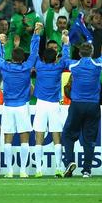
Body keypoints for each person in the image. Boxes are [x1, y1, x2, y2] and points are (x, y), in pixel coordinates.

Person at [0, 22, 42, 178]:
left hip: (8, 107)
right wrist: (36, 34)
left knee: (7, 138)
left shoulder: (5, 67)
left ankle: (8, 171)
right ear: (23, 58)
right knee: (24, 139)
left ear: (12, 57)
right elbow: (34, 53)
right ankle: (22, 171)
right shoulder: (27, 67)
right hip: (22, 107)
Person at [61, 28, 102, 178]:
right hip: (93, 105)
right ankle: (87, 170)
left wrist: (66, 43)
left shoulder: (74, 66)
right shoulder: (98, 65)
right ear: (92, 52)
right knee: (89, 139)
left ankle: (70, 162)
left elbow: (64, 59)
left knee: (68, 135)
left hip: (77, 105)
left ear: (80, 53)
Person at [32, 35, 70, 178]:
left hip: (41, 104)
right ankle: (59, 168)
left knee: (39, 136)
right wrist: (65, 43)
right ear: (55, 59)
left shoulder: (39, 66)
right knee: (56, 136)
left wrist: (36, 35)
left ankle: (38, 170)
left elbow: (33, 52)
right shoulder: (59, 66)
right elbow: (66, 58)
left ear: (43, 58)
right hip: (54, 105)